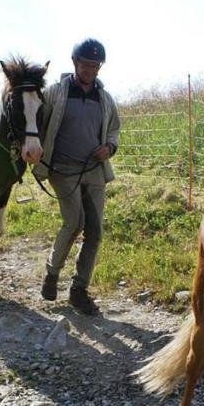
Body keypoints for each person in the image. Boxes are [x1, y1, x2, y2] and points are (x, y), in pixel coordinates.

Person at [33, 38, 121, 316]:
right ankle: (52, 273)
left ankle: (79, 290)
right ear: (75, 63)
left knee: (95, 232)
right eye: (86, 64)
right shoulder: (56, 93)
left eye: (96, 66)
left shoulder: (104, 98)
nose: (91, 70)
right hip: (62, 169)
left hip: (94, 171)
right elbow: (35, 123)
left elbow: (114, 130)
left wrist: (109, 147)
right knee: (74, 222)